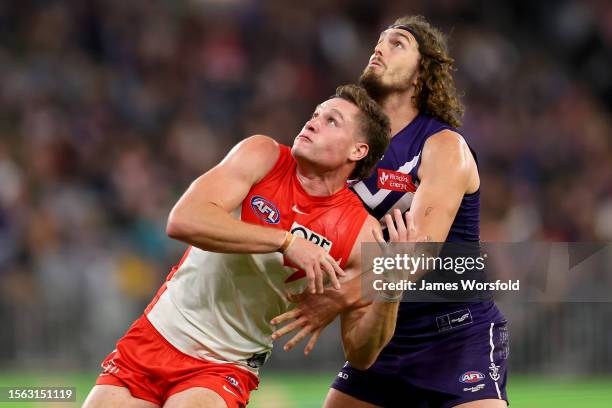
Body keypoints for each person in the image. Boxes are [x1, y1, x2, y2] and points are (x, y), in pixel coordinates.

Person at [83, 84, 411, 408]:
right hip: (157, 334)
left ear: (358, 151)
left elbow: (361, 354)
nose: (312, 123)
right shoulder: (262, 155)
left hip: (224, 364)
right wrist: (285, 241)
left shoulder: (360, 233)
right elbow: (183, 220)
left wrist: (389, 291)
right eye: (315, 115)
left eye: (332, 121)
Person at [271, 16, 509, 408]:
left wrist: (339, 296)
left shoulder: (443, 145)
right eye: (378, 41)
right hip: (387, 336)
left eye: (397, 43)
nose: (379, 48)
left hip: (454, 335)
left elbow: (419, 253)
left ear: (422, 73)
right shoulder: (350, 148)